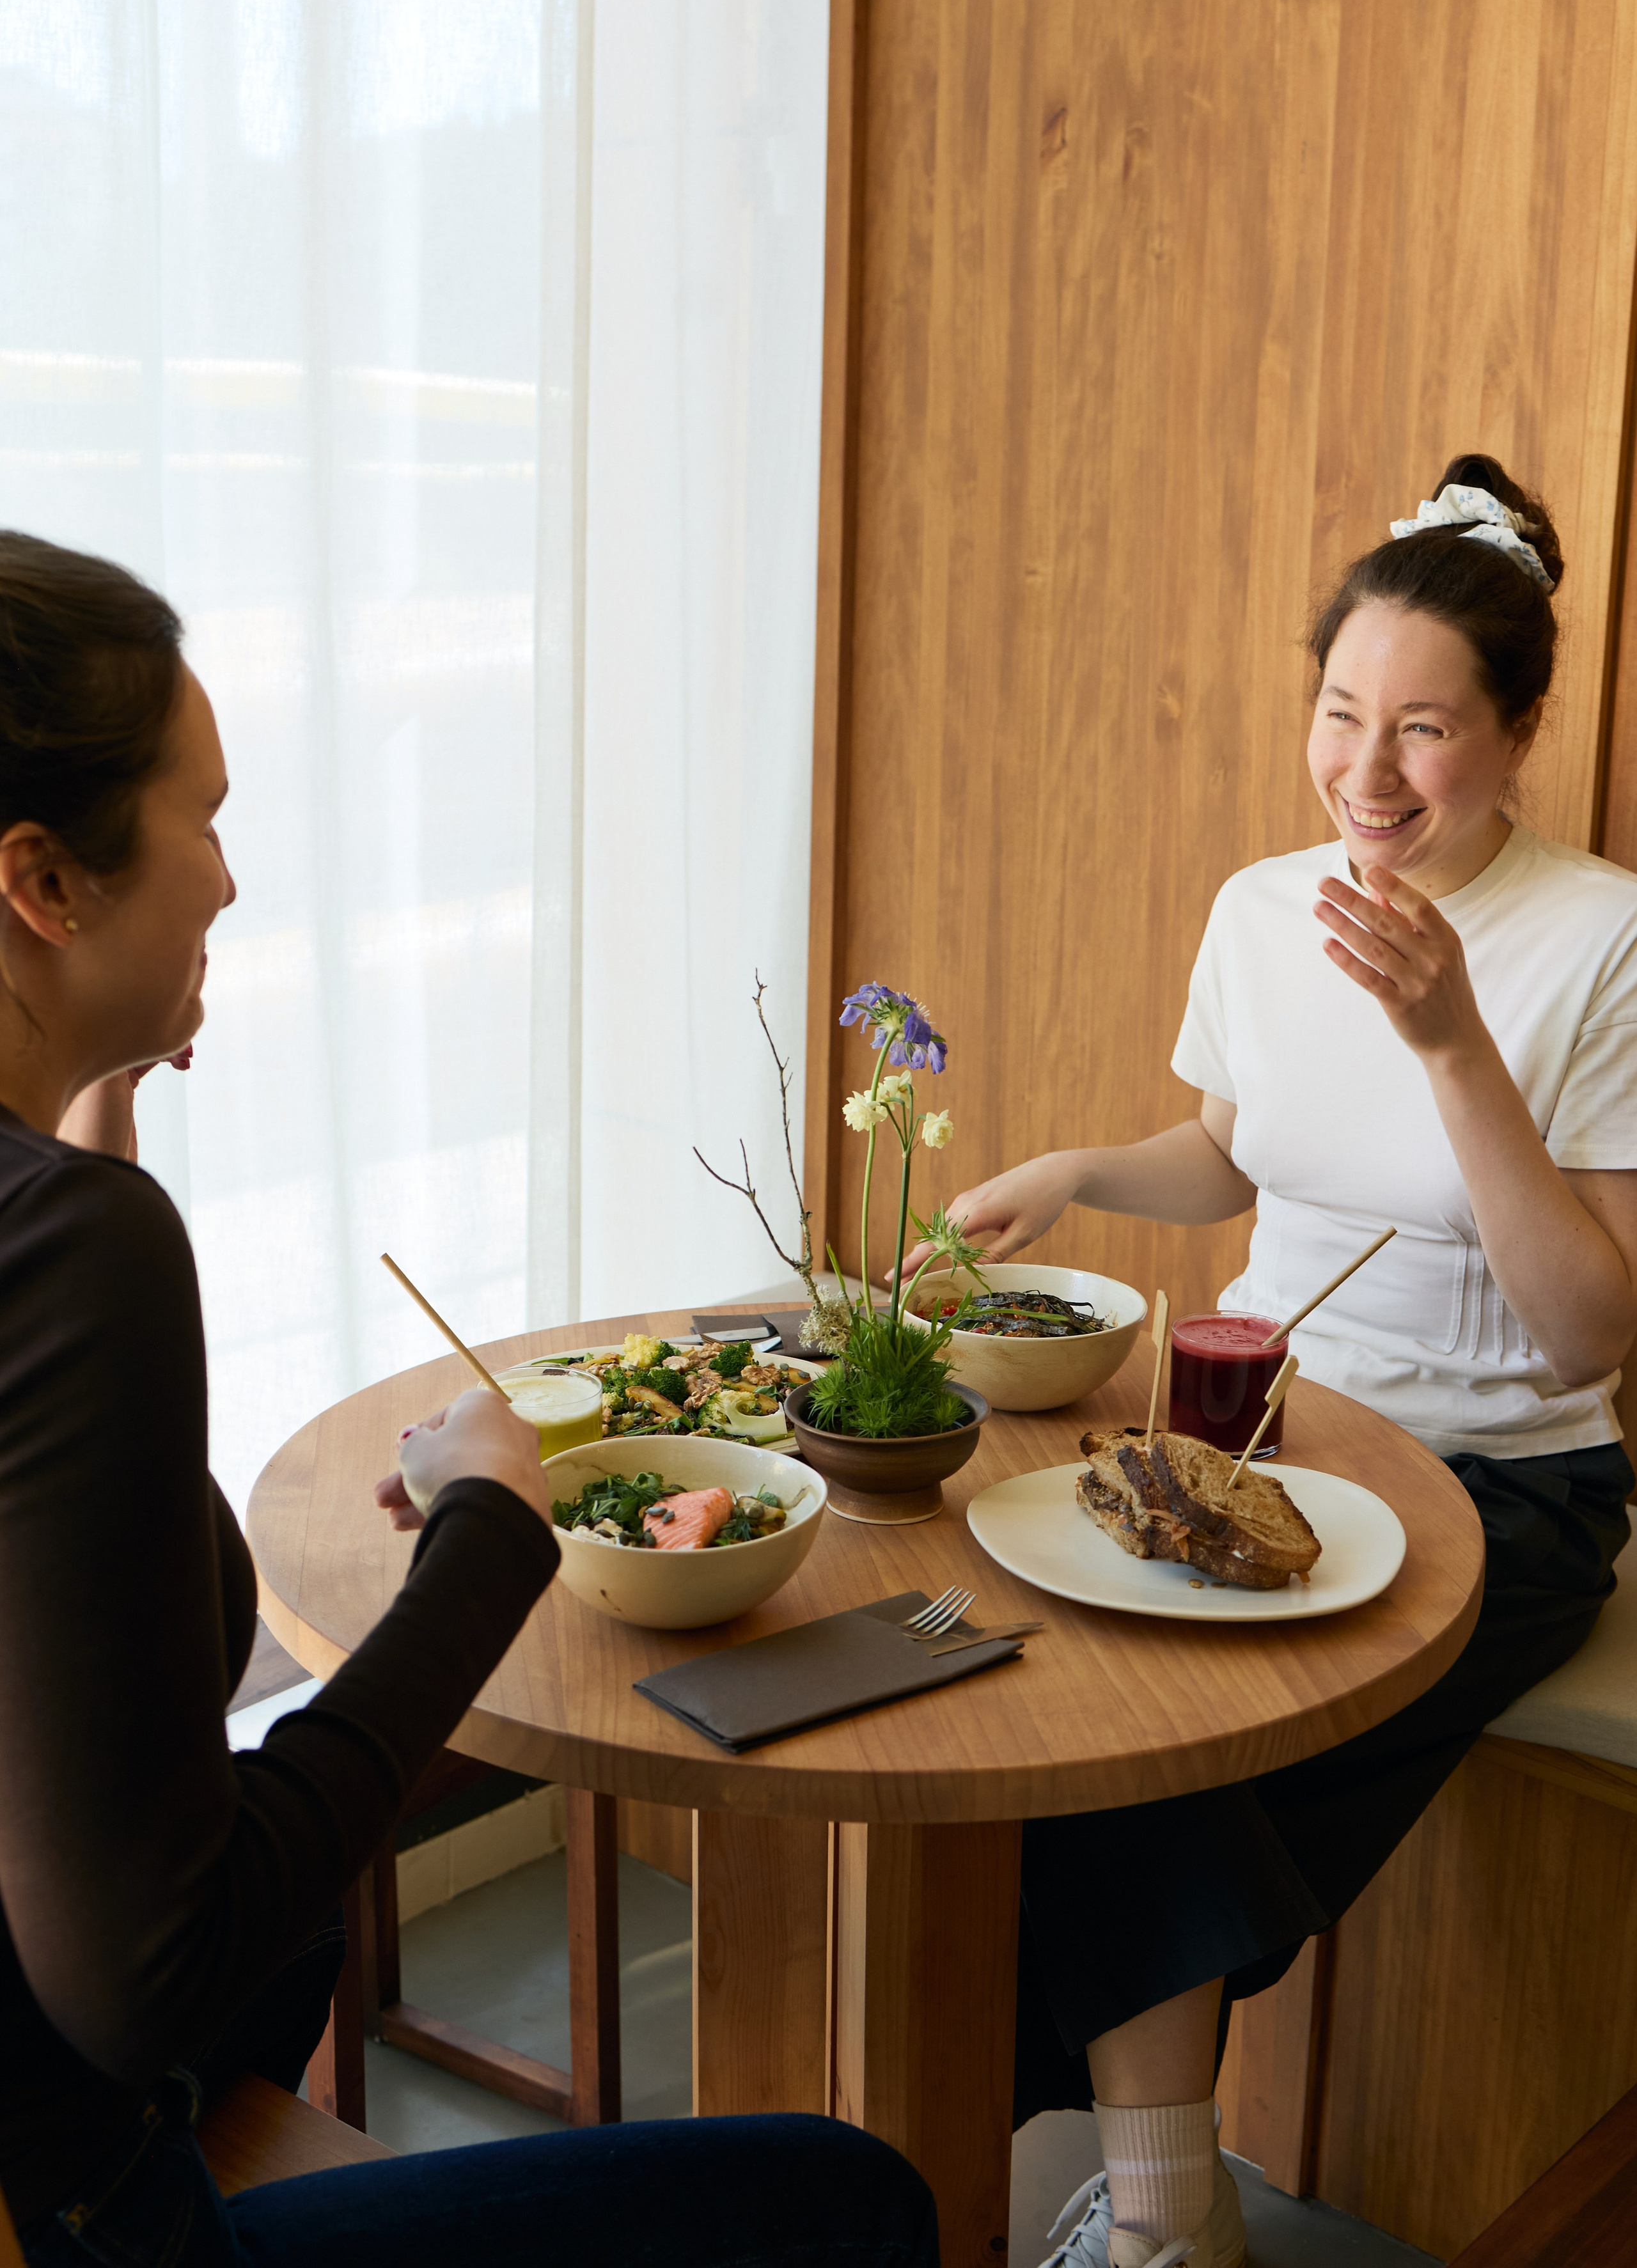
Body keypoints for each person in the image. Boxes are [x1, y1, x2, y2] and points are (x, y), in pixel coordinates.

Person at [0, 530, 939, 2268]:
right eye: (203, 820)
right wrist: (494, 1529)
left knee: (302, 1917)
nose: (226, 882)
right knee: (853, 2200)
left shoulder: (58, 1221)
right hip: (56, 2203)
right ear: (45, 883)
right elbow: (148, 1978)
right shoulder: (73, 1256)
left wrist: (85, 1106)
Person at [910, 457, 1637, 2268]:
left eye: (1427, 732)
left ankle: (1128, 2215)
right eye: (1339, 715)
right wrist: (1082, 1172)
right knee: (1046, 1707)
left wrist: (1453, 1040)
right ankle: (1147, 2208)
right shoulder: (1260, 906)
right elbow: (1237, 1159)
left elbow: (1591, 1328)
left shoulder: (1603, 938)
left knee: (1169, 1766)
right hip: (1257, 1442)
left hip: (1501, 1487)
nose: (1369, 777)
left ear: (1520, 730)